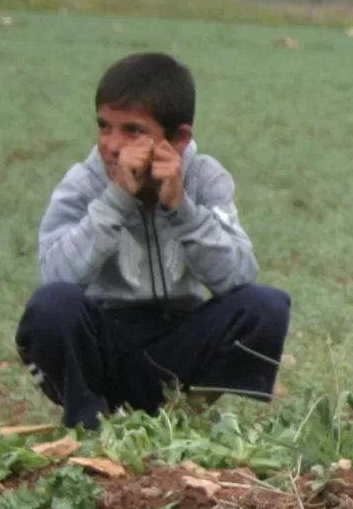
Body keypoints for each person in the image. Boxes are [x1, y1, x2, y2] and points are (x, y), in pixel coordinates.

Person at [17, 52, 290, 429]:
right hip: (107, 341)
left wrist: (182, 209)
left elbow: (239, 278)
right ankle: (88, 422)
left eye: (132, 131)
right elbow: (56, 276)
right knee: (51, 307)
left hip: (179, 338)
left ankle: (186, 417)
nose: (112, 145)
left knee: (265, 306)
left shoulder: (206, 178)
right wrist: (116, 201)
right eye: (104, 127)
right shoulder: (83, 183)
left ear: (177, 139)